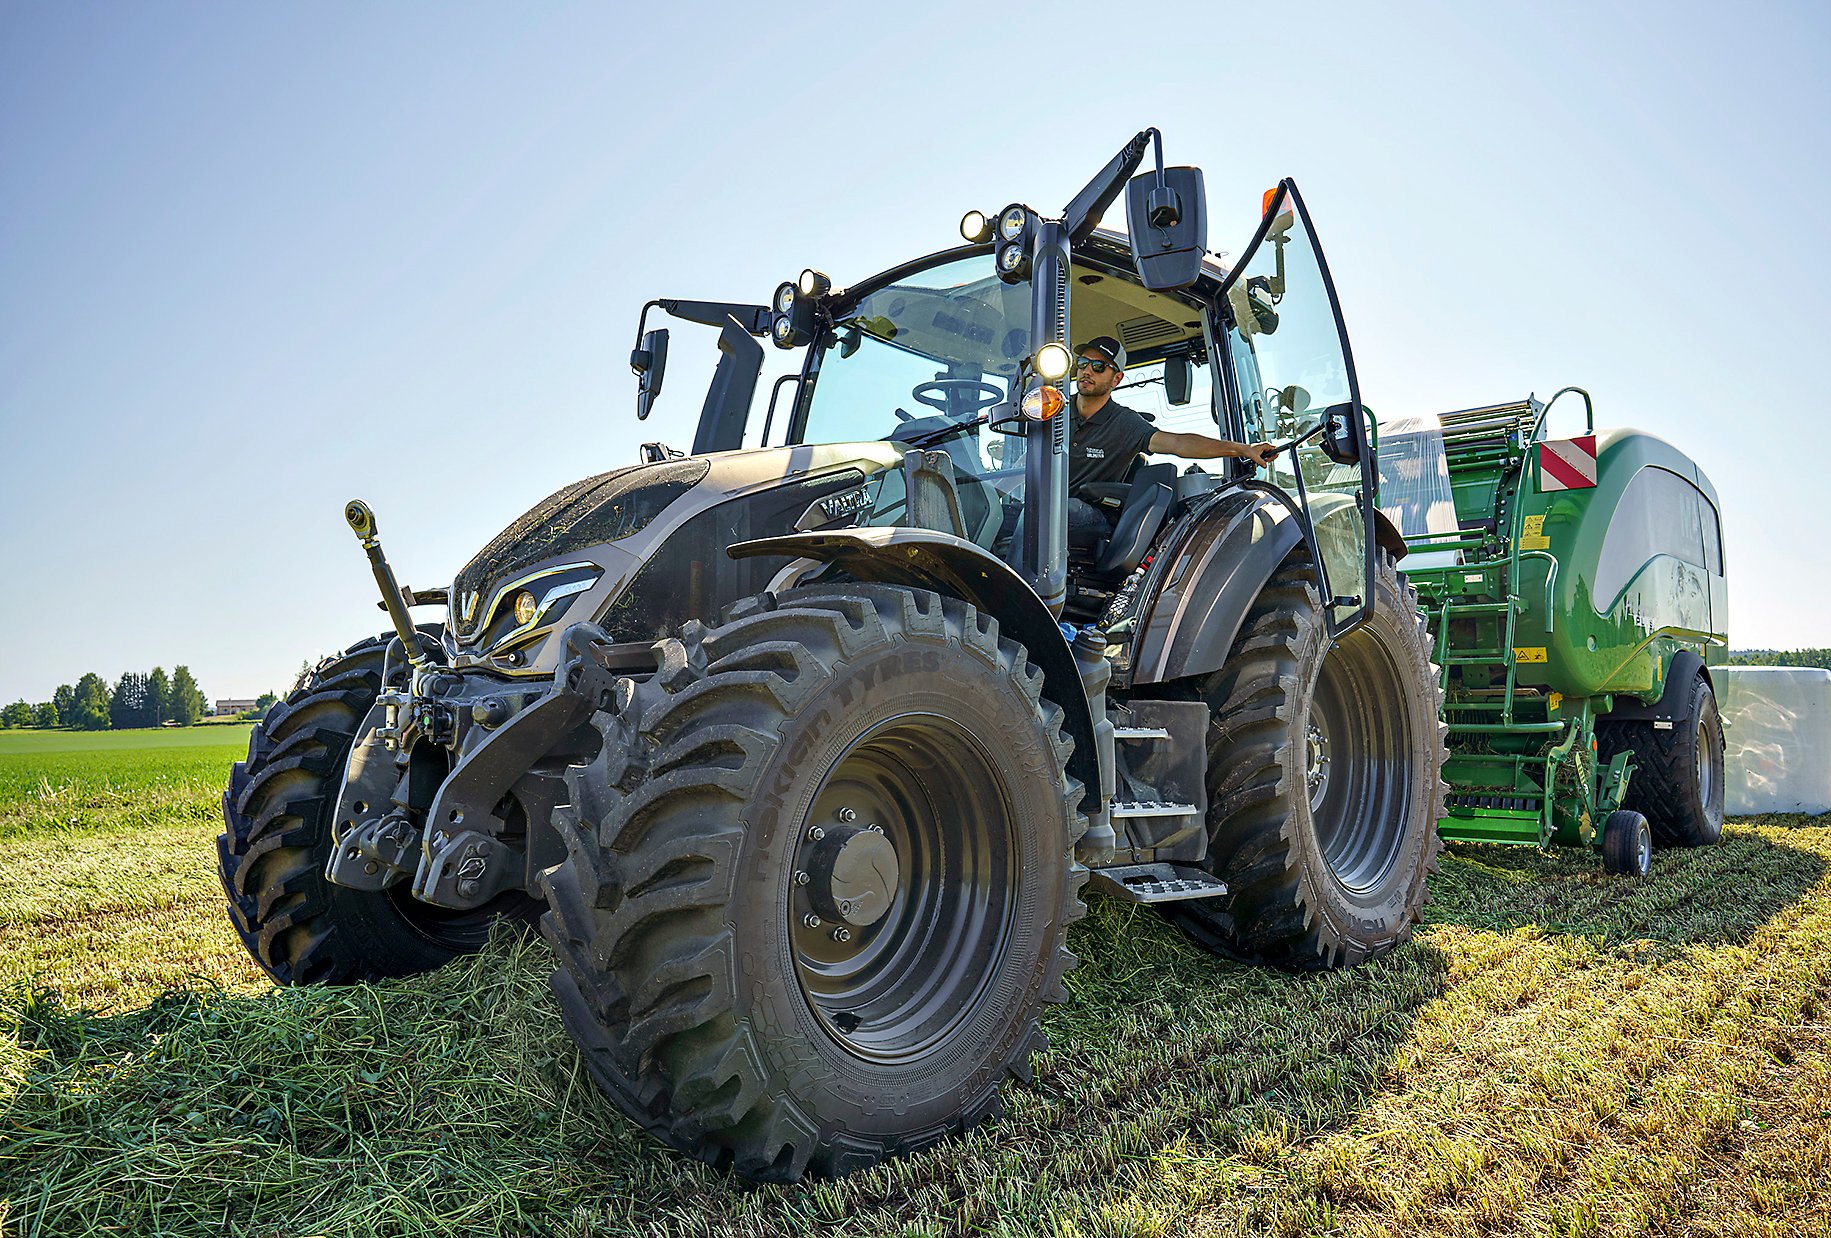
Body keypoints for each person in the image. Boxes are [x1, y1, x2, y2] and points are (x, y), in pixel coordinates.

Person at [1064, 336, 1277, 545]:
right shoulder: (1052, 408)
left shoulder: (1124, 423)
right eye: (1082, 363)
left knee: (1059, 512)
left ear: (1116, 379)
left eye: (1098, 366)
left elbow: (1178, 443)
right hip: (1044, 505)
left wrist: (1244, 449)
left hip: (1087, 515)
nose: (1087, 371)